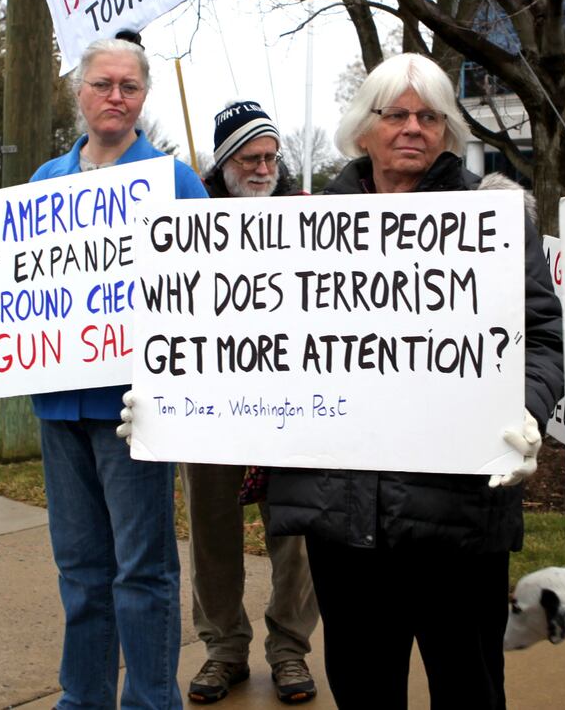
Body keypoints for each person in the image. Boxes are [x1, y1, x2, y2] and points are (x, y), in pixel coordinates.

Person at [265, 53, 564, 709]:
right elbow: (254, 343)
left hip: (458, 516)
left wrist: (529, 413)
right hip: (343, 522)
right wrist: (180, 404)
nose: (413, 127)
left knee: (470, 688)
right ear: (361, 130)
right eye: (395, 114)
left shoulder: (495, 221)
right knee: (364, 690)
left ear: (447, 131)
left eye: (430, 116)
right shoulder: (299, 228)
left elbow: (543, 336)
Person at [0, 31, 209, 710]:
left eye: (129, 86)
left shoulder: (174, 180)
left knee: (143, 572)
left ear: (144, 96)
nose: (115, 97)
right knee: (80, 569)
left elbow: (208, 296)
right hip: (59, 408)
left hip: (135, 413)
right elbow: (5, 298)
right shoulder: (45, 183)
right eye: (102, 84)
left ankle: (148, 701)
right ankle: (81, 699)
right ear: (77, 91)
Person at [183, 100, 319, 705]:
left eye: (271, 156)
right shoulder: (187, 219)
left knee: (296, 532)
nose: (264, 168)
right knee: (212, 529)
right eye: (250, 157)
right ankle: (223, 648)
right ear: (224, 162)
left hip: (292, 402)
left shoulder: (305, 216)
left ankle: (290, 648)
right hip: (211, 404)